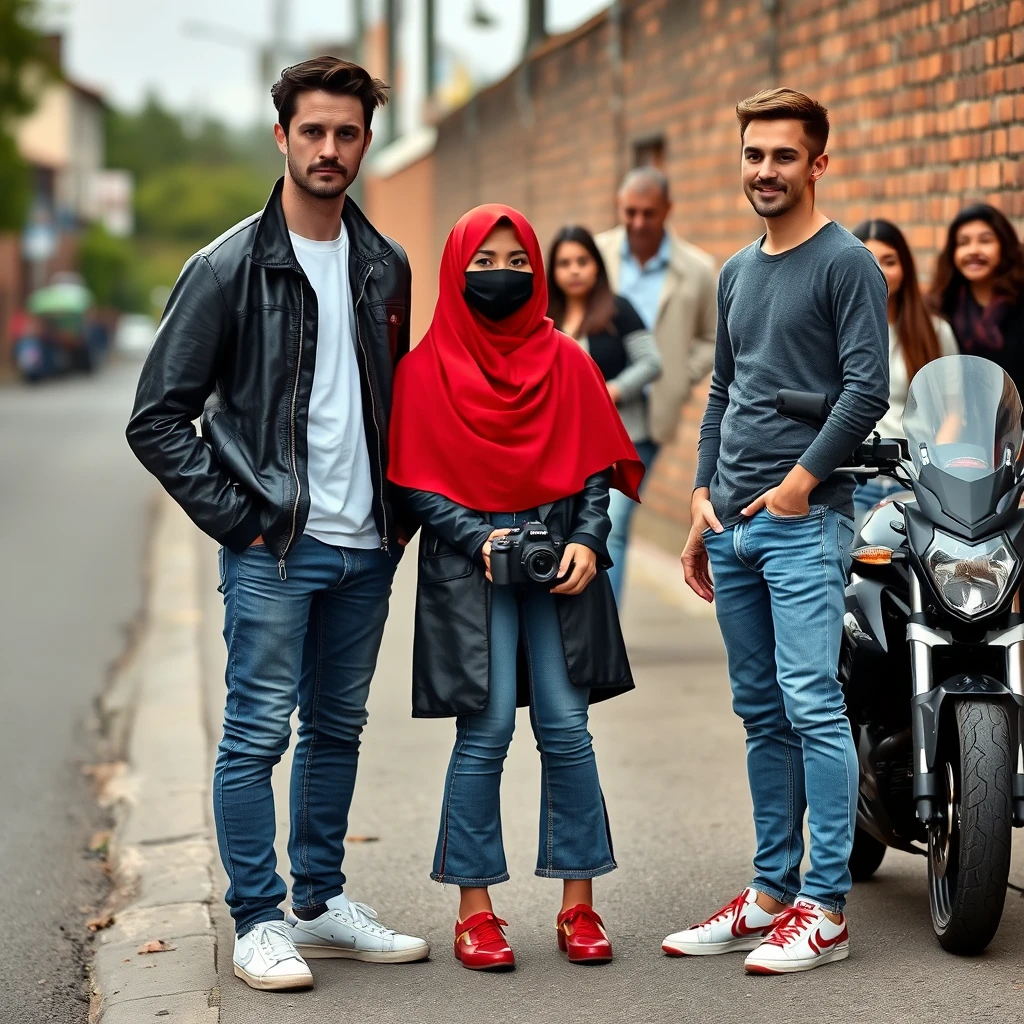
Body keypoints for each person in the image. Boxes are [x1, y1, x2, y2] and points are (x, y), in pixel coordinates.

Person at [126, 57, 428, 992]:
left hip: (365, 548)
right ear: (283, 137)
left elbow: (394, 405)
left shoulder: (386, 265)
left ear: (366, 142)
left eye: (346, 133)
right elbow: (156, 420)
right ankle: (258, 917)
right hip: (276, 548)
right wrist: (242, 523)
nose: (329, 149)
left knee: (338, 727)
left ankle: (319, 900)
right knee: (257, 734)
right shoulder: (225, 268)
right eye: (313, 132)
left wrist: (396, 522)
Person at [387, 205, 644, 972]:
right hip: (475, 570)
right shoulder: (423, 370)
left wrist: (591, 541)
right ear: (455, 268)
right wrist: (478, 538)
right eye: (483, 261)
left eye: (516, 260)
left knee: (567, 729)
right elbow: (412, 483)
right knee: (488, 730)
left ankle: (579, 907)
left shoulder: (568, 361)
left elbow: (597, 464)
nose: (502, 274)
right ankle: (476, 912)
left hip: (559, 557)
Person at [667, 88, 888, 974]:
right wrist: (697, 498)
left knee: (812, 706)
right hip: (731, 525)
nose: (765, 170)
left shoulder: (847, 264)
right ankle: (769, 894)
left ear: (818, 163)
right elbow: (725, 389)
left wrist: (799, 486)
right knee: (762, 714)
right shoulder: (736, 271)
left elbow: (865, 392)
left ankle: (825, 909)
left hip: (801, 521)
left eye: (783, 155)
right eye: (754, 154)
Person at [595, 168, 717, 602]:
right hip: (594, 407)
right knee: (595, 516)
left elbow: (713, 338)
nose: (639, 223)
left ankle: (603, 630)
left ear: (667, 210)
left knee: (615, 517)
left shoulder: (698, 269)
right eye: (630, 212)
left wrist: (681, 372)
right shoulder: (597, 254)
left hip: (648, 414)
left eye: (649, 213)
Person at [547, 225, 663, 601]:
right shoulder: (545, 314)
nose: (575, 270)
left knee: (612, 526)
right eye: (565, 263)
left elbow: (651, 363)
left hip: (623, 437)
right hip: (564, 444)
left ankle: (608, 614)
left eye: (582, 261)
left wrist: (613, 389)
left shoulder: (619, 309)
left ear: (596, 265)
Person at [851, 219, 958, 525]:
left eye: (890, 261)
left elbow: (953, 411)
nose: (880, 271)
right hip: (856, 478)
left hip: (916, 480)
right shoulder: (836, 331)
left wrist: (935, 468)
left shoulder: (934, 330)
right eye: (870, 261)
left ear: (906, 267)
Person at [929, 203, 1024, 399]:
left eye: (985, 240)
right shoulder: (942, 306)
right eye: (963, 243)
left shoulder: (1020, 304)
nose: (973, 250)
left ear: (1004, 245)